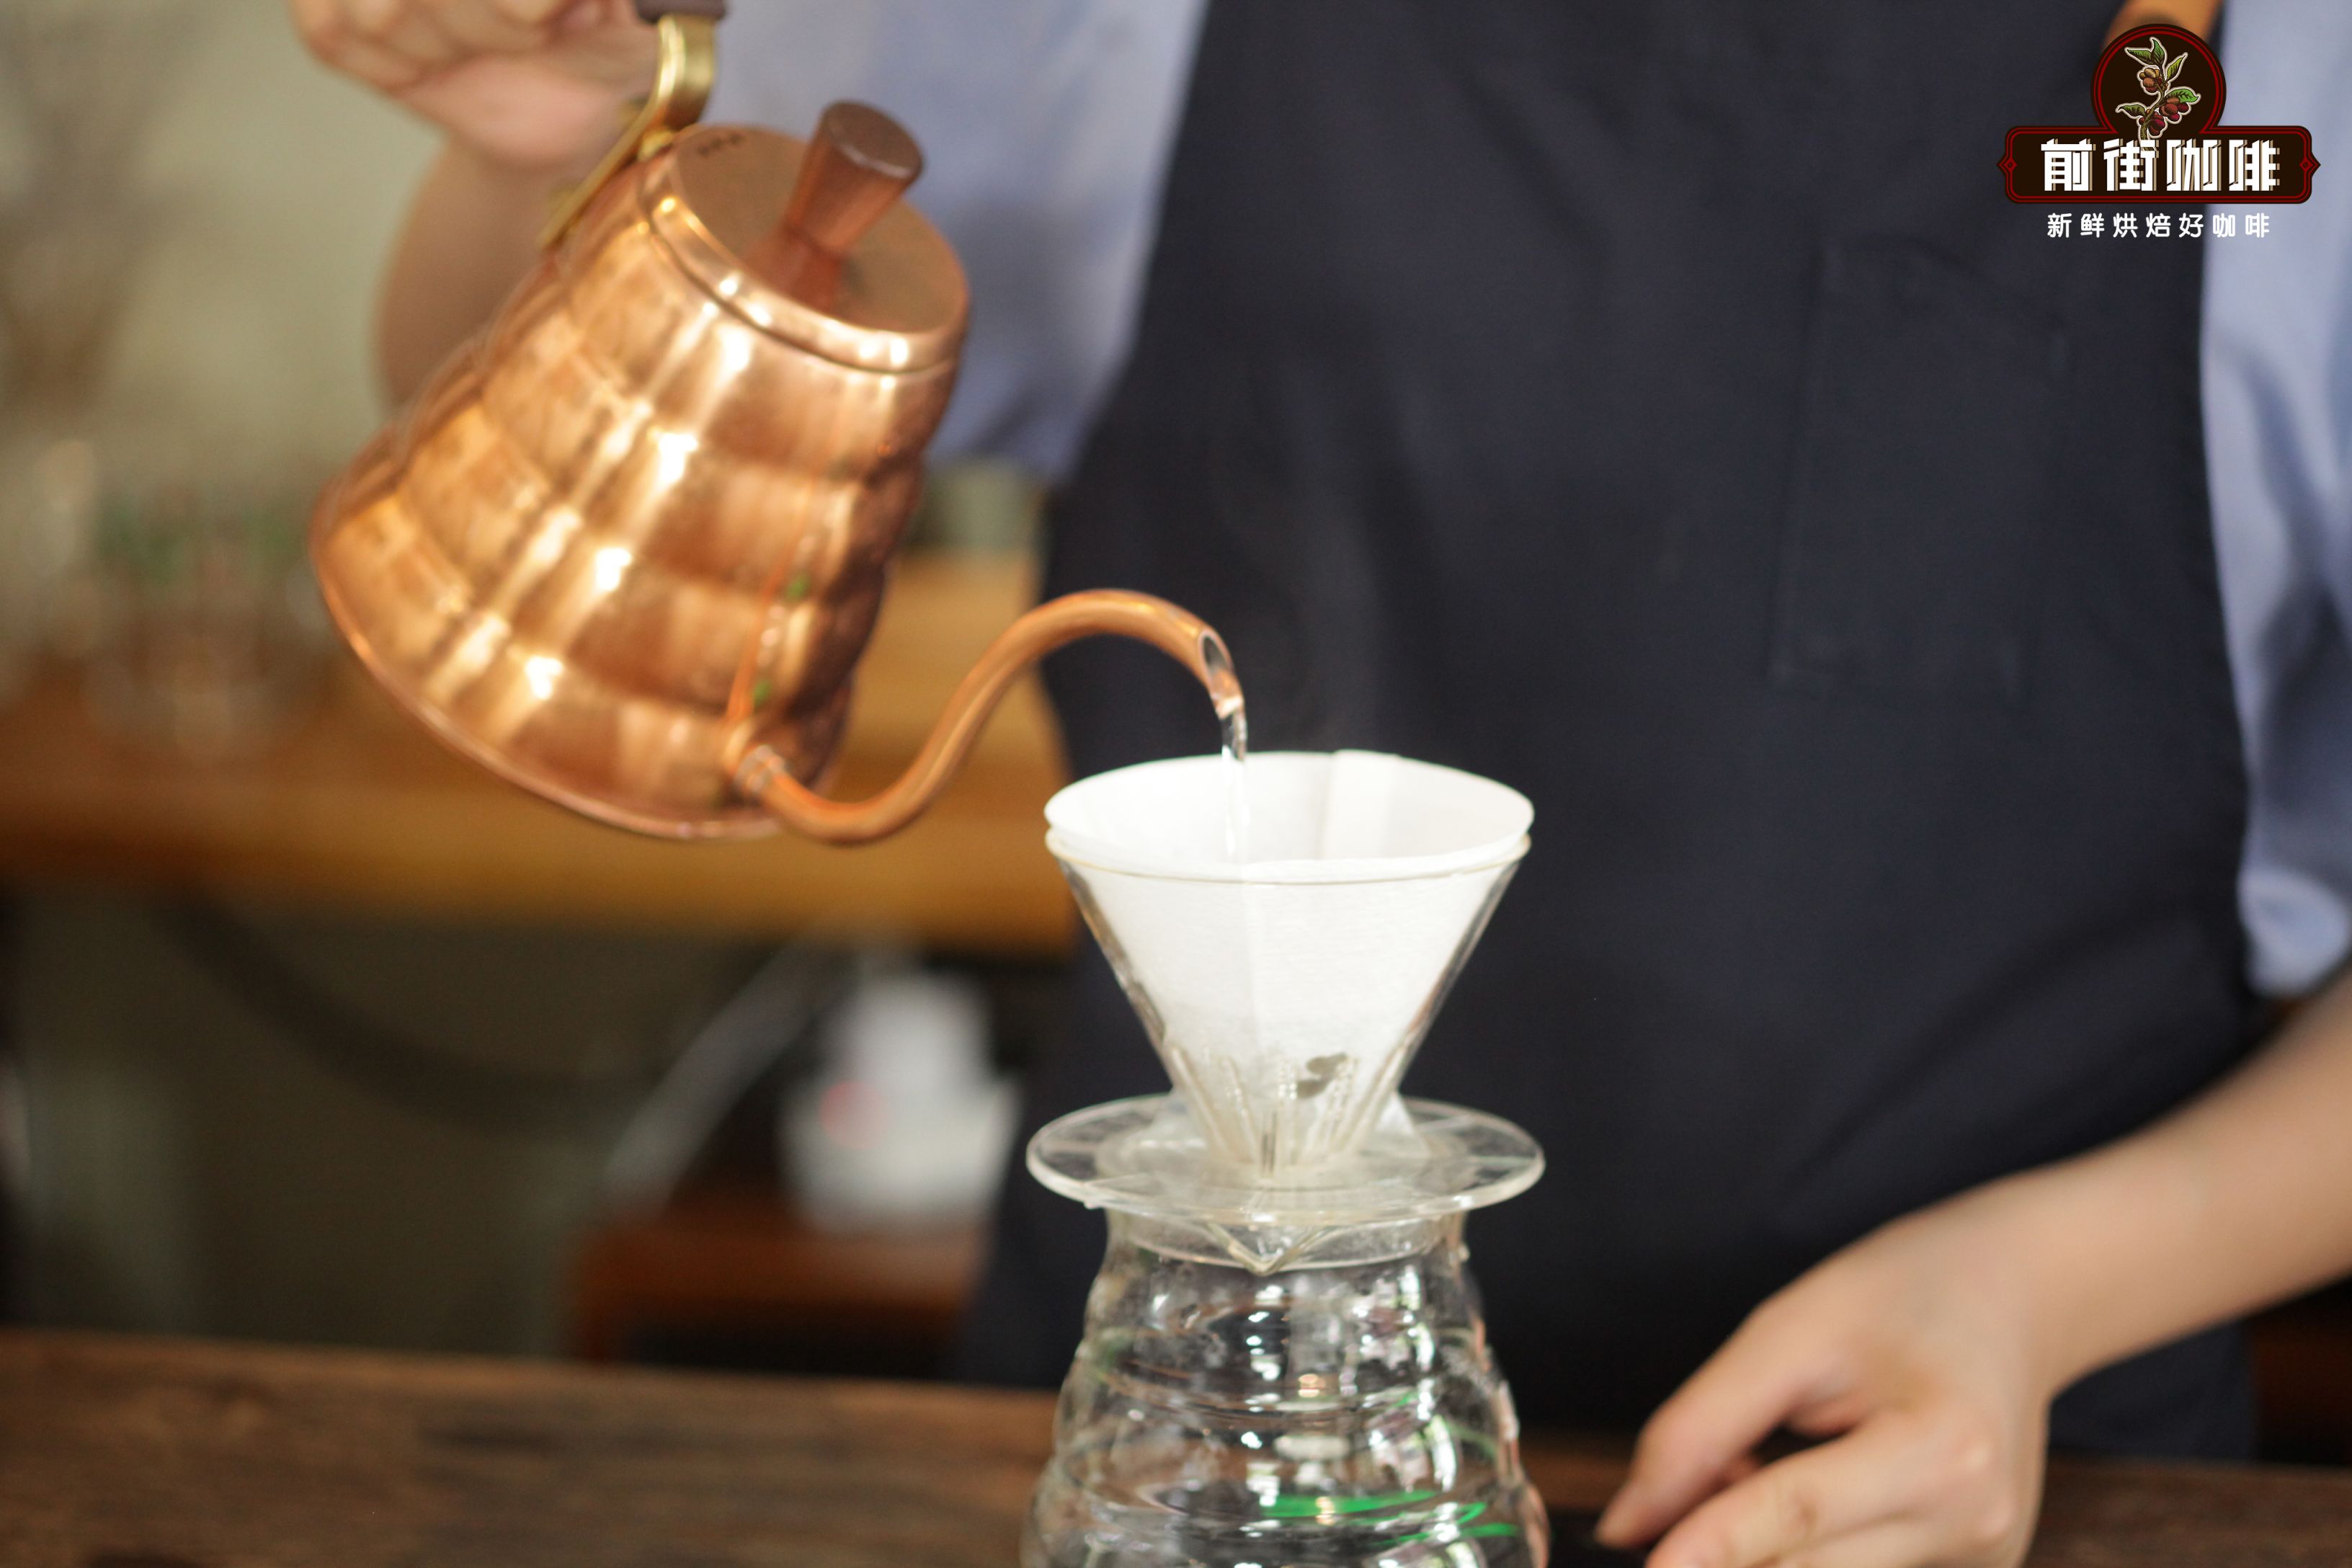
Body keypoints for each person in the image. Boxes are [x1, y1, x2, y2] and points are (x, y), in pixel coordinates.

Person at [292, 4, 2352, 1566]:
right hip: (1179, 1444)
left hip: (2001, 1460)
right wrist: (565, 142)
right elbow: (519, 379)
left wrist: (2042, 1289)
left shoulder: (2259, 100)